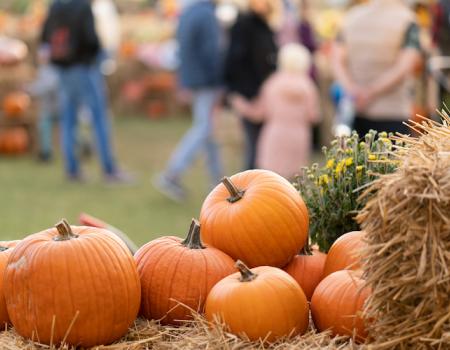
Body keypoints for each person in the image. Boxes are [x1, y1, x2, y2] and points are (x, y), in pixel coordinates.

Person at [41, 0, 127, 182]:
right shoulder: (82, 6)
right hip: (83, 68)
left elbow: (44, 36)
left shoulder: (56, 6)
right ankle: (109, 169)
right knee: (99, 118)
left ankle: (72, 169)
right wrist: (98, 54)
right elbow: (91, 40)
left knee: (69, 119)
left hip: (63, 69)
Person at [153, 0, 223, 202]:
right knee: (204, 128)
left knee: (208, 131)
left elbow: (181, 50)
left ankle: (218, 181)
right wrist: (219, 82)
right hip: (207, 80)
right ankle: (172, 173)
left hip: (194, 79)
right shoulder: (206, 15)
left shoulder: (187, 13)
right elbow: (211, 52)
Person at [230, 44, 320, 179]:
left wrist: (240, 104)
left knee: (270, 181)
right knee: (294, 184)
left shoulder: (273, 83)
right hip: (298, 137)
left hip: (275, 135)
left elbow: (258, 113)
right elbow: (314, 117)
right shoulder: (308, 85)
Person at [333, 0, 422, 136]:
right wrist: (371, 92)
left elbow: (336, 60)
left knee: (357, 156)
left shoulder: (351, 17)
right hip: (392, 112)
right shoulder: (407, 20)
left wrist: (352, 89)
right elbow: (405, 65)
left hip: (356, 110)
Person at [225, 0, 279, 170]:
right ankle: (251, 190)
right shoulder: (245, 25)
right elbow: (236, 63)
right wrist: (249, 95)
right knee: (254, 147)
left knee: (264, 148)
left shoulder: (264, 25)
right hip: (251, 95)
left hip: (265, 94)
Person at [24, 46, 60, 162]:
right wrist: (29, 88)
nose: (41, 59)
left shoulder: (54, 69)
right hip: (49, 107)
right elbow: (40, 84)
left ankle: (84, 146)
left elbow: (46, 86)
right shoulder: (43, 70)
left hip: (59, 106)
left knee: (66, 129)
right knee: (44, 127)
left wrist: (29, 90)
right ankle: (46, 152)